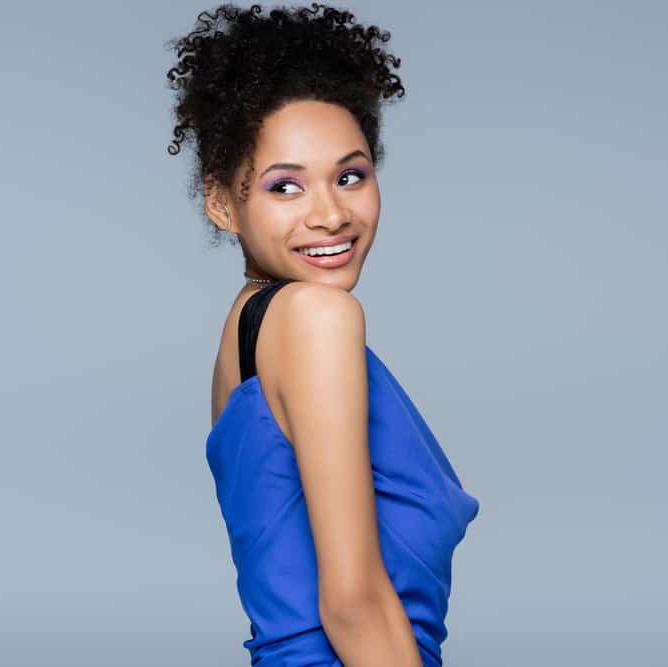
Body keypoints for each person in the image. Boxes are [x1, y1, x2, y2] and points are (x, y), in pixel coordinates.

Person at [165, 4, 480, 665]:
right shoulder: (315, 318)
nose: (331, 213)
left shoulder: (248, 330)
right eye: (286, 186)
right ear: (223, 202)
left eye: (350, 175)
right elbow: (352, 601)